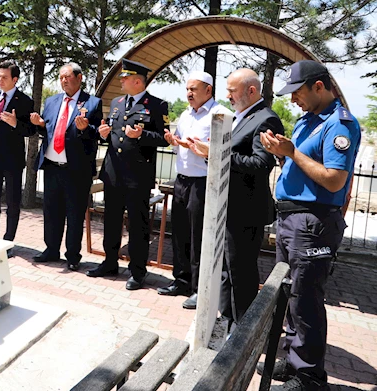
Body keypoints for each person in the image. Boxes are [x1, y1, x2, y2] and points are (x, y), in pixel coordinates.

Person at [257, 61, 360, 391]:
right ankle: (294, 359)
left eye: (297, 92)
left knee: (306, 300)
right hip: (292, 219)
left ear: (319, 86)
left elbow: (334, 180)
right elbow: (299, 164)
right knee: (290, 294)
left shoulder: (339, 124)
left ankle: (309, 377)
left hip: (313, 222)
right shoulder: (307, 120)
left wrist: (292, 153)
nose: (292, 100)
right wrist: (281, 152)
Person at [185, 68, 283, 330]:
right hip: (228, 206)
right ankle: (228, 320)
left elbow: (261, 164)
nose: (227, 96)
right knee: (226, 270)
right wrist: (210, 152)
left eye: (232, 91)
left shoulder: (266, 119)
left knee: (240, 273)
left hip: (245, 210)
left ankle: (242, 331)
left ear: (251, 90)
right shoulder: (242, 115)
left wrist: (216, 151)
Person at [88, 59, 168, 290]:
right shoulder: (117, 102)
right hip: (113, 173)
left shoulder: (157, 105)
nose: (121, 81)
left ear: (137, 81)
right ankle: (109, 263)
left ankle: (137, 271)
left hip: (137, 176)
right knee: (111, 221)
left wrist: (142, 135)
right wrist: (103, 133)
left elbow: (164, 139)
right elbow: (112, 133)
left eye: (125, 78)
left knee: (137, 226)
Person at [30, 63, 103, 271]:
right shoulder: (52, 101)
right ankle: (51, 249)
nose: (63, 81)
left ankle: (72, 255)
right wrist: (41, 125)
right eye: (61, 77)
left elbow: (99, 134)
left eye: (67, 77)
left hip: (76, 170)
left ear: (79, 78)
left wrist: (86, 128)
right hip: (52, 166)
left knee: (74, 214)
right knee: (51, 211)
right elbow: (49, 129)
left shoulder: (93, 103)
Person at [160, 71, 222, 309]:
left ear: (208, 90)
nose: (189, 93)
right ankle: (181, 280)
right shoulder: (186, 114)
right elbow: (180, 145)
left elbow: (221, 151)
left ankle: (199, 288)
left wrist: (203, 148)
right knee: (179, 233)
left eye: (193, 89)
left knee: (198, 237)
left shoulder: (219, 115)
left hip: (202, 182)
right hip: (182, 180)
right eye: (187, 89)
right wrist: (174, 141)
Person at [0, 61, 34, 253]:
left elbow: (31, 130)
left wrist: (16, 123)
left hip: (13, 160)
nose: (0, 80)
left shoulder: (25, 101)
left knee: (12, 202)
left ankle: (8, 241)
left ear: (15, 79)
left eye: (4, 77)